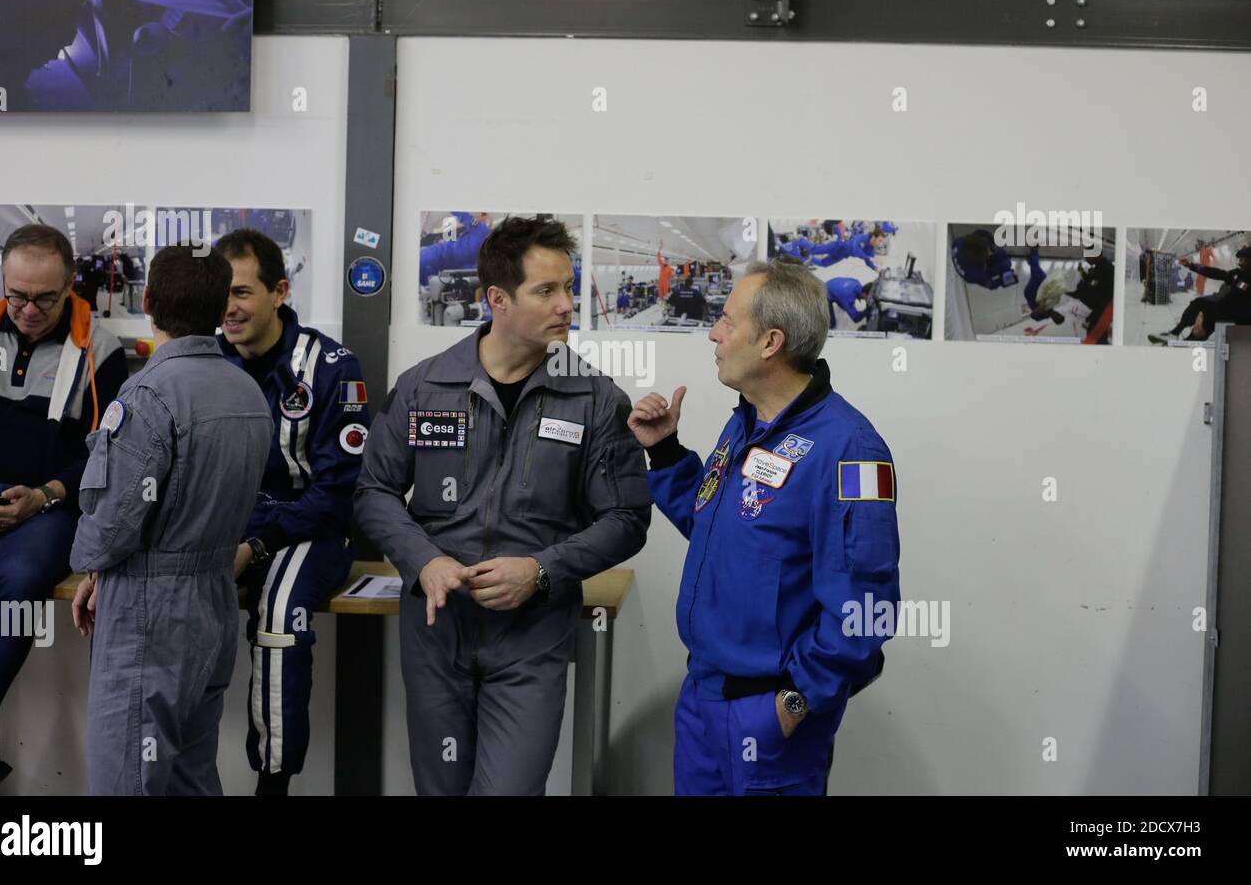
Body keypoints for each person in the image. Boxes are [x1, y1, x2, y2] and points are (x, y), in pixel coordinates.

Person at [355, 216, 650, 795]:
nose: (567, 305)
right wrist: (424, 560)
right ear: (498, 300)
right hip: (439, 630)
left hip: (532, 635)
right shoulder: (425, 387)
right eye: (547, 291)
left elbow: (626, 518)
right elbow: (372, 491)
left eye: (569, 287)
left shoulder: (595, 399)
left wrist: (541, 571)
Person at [629, 257, 900, 796]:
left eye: (728, 322)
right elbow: (724, 535)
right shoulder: (746, 422)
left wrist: (794, 703)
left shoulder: (851, 451)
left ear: (771, 342)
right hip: (704, 699)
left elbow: (867, 609)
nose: (714, 333)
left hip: (769, 716)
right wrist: (664, 454)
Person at [71, 245, 272, 796]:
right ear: (219, 308)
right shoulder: (247, 392)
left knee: (126, 781)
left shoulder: (148, 394)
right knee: (190, 776)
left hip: (147, 608)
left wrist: (93, 569)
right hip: (214, 600)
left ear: (149, 301)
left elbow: (112, 521)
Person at [0, 224, 127, 795]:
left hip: (46, 508)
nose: (28, 309)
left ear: (70, 284)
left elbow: (105, 455)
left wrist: (47, 495)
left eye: (45, 298)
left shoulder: (100, 350)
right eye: (17, 294)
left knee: (22, 582)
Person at [215, 229, 372, 796]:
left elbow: (338, 492)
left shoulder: (332, 365)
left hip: (311, 530)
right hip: (226, 529)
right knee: (155, 599)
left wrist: (255, 546)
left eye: (241, 292)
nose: (228, 307)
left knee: (279, 614)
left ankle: (272, 782)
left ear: (279, 291)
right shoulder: (201, 362)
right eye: (219, 293)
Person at [1149, 247, 1251, 343]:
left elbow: (1233, 297)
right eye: (1240, 259)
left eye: (1243, 259)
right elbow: (1216, 273)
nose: (1239, 263)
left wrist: (1203, 314)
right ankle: (1175, 332)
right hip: (1233, 307)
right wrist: (1191, 266)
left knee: (1210, 316)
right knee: (1199, 303)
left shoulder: (1247, 278)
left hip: (1243, 316)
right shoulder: (1239, 273)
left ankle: (1191, 341)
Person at [951, 229, 1016, 289]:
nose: (992, 251)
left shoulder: (959, 242)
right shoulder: (976, 275)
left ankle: (1004, 256)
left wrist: (994, 251)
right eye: (989, 251)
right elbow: (991, 285)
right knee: (1005, 264)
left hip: (970, 260)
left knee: (1000, 253)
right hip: (975, 270)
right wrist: (1007, 280)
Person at [1022, 249, 1067, 325]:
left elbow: (1032, 315)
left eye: (1057, 317)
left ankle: (1034, 250)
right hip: (1038, 291)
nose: (1057, 314)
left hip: (1030, 294)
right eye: (1059, 314)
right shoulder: (1052, 305)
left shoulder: (1042, 317)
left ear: (1054, 319)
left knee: (1038, 276)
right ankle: (1031, 261)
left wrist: (1039, 309)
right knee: (1044, 278)